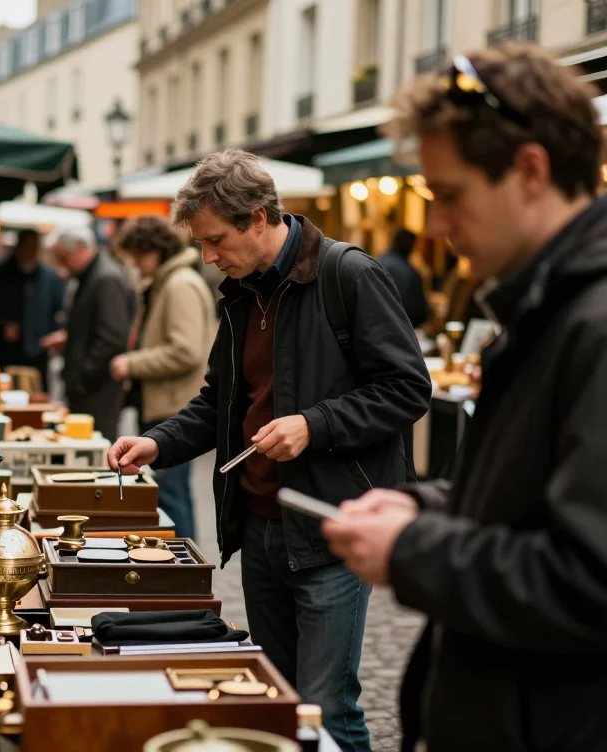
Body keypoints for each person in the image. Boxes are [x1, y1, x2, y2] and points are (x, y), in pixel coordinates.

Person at [322, 45, 607, 752]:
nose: (440, 228)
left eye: (449, 196)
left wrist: (416, 551)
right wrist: (428, 506)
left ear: (531, 172)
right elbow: (535, 502)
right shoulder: (548, 307)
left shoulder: (593, 323)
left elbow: (589, 581)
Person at [108, 149, 430, 752]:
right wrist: (157, 441)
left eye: (215, 240)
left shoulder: (348, 274)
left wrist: (315, 424)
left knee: (327, 708)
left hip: (328, 523)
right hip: (259, 526)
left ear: (259, 218)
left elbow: (408, 388)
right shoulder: (239, 293)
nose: (207, 256)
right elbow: (219, 401)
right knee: (278, 705)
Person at [108, 216, 216, 540]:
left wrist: (132, 363)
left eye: (138, 256)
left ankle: (187, 573)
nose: (136, 264)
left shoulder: (180, 284)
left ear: (155, 250)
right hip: (164, 404)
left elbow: (186, 351)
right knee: (169, 493)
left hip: (175, 407)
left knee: (171, 495)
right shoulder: (167, 282)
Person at [43, 225, 135, 439]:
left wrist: (82, 378)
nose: (61, 266)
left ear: (80, 249)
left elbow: (111, 338)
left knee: (97, 451)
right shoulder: (92, 275)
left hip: (97, 390)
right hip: (90, 386)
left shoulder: (105, 278)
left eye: (64, 258)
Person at [0, 228, 65, 388]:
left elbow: (60, 311)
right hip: (6, 352)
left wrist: (53, 334)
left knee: (37, 394)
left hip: (38, 353)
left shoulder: (50, 278)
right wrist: (1, 326)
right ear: (18, 246)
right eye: (26, 245)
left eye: (34, 246)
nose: (30, 250)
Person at [379, 228, 429, 328]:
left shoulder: (377, 263)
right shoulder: (409, 273)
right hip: (402, 329)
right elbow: (418, 312)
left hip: (378, 327)